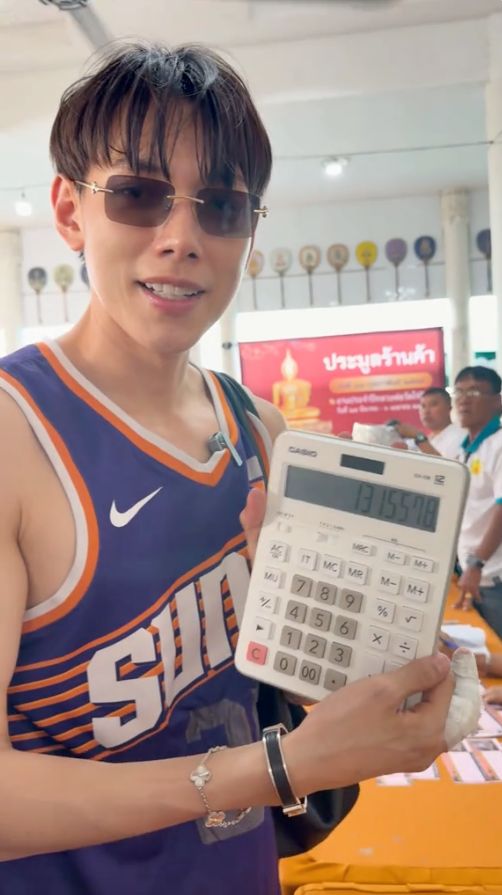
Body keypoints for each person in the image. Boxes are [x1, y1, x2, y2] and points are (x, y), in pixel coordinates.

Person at [0, 41, 474, 895]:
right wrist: (276, 768)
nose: (181, 240)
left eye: (220, 206)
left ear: (251, 232)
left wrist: (386, 656)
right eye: (138, 195)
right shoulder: (15, 434)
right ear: (70, 210)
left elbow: (280, 671)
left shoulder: (257, 427)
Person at [453, 366, 502, 639]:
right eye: (459, 392)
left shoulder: (499, 444)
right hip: (476, 576)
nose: (463, 399)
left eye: (473, 392)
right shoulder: (468, 448)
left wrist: (476, 564)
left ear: (498, 401)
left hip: (494, 577)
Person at [388, 387, 465, 458]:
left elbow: (444, 467)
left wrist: (418, 436)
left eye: (433, 404)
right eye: (423, 406)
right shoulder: (426, 439)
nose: (426, 411)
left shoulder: (459, 436)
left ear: (449, 408)